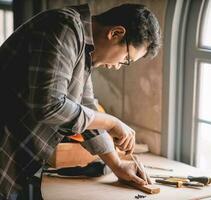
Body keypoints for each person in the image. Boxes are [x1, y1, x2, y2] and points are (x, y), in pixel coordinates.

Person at [0, 3, 161, 200]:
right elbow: (49, 106)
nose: (119, 67)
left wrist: (117, 164)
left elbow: (85, 106)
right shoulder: (63, 28)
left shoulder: (83, 49)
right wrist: (111, 122)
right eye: (126, 58)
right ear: (116, 33)